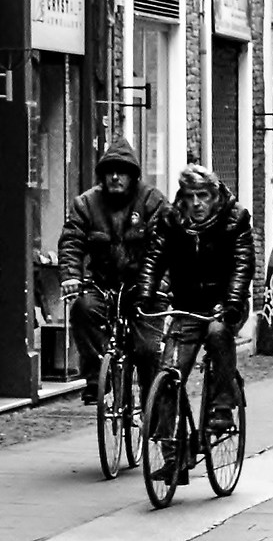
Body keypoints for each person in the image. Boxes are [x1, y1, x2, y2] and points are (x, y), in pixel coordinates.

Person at [140, 165, 255, 437]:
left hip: (225, 304)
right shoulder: (172, 219)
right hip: (187, 305)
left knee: (217, 335)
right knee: (169, 371)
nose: (196, 203)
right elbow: (154, 258)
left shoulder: (235, 217)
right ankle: (170, 449)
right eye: (190, 196)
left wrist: (234, 301)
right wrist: (145, 293)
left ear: (214, 195)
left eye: (202, 196)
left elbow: (243, 263)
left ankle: (223, 407)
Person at [58, 135, 167, 403]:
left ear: (133, 176)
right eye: (110, 172)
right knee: (83, 309)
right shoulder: (86, 204)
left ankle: (153, 405)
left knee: (147, 349)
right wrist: (71, 276)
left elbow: (165, 245)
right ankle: (98, 378)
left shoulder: (152, 201)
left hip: (144, 288)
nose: (115, 178)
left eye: (122, 172)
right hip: (103, 285)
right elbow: (72, 241)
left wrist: (161, 282)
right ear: (102, 176)